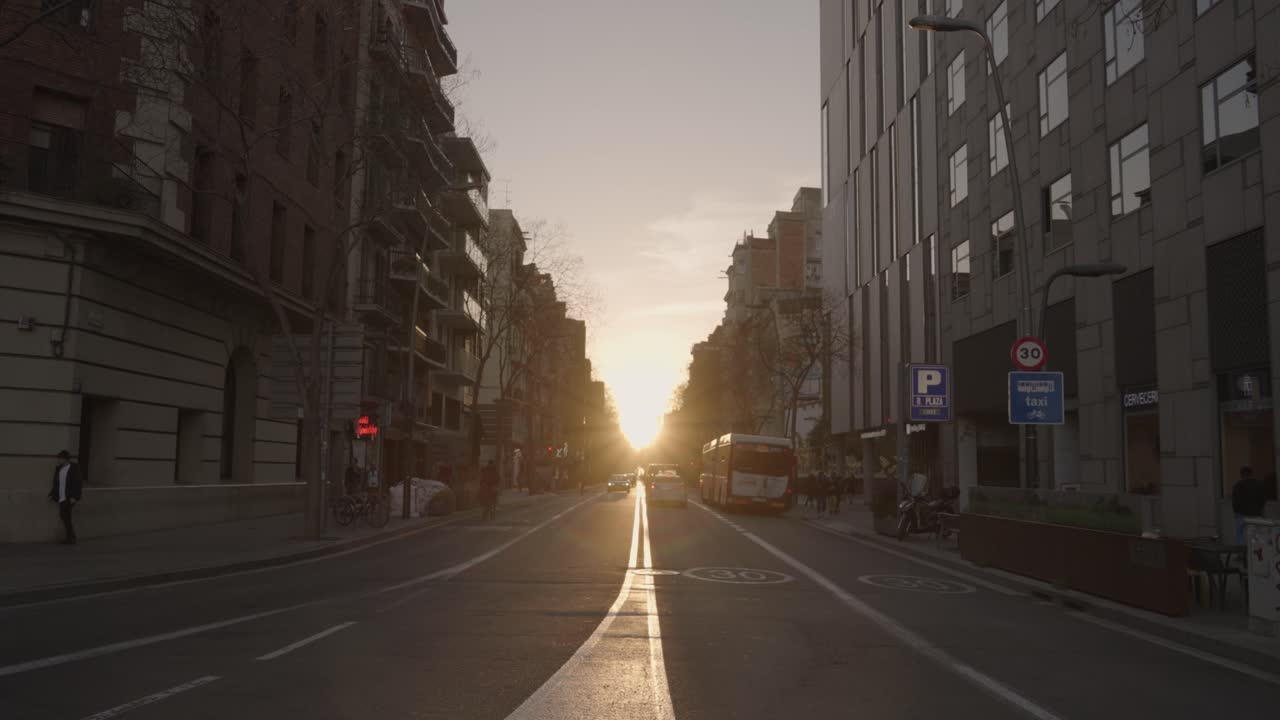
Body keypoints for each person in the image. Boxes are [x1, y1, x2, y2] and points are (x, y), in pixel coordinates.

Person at [48, 450, 82, 544]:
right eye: (58, 458)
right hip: (61, 497)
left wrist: (75, 497)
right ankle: (71, 537)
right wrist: (51, 494)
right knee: (65, 517)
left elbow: (78, 483)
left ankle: (71, 537)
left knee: (65, 516)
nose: (58, 460)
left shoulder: (74, 468)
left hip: (69, 497)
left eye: (60, 458)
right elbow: (56, 483)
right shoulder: (58, 468)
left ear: (66, 459)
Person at [1232, 465, 1267, 542]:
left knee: (1240, 534)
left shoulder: (1238, 485)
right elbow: (1263, 499)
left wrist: (1236, 512)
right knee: (1256, 536)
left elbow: (1235, 501)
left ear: (1242, 474)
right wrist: (1261, 511)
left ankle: (1242, 552)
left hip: (1242, 515)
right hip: (1257, 514)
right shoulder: (1259, 484)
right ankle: (1254, 552)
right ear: (1251, 474)